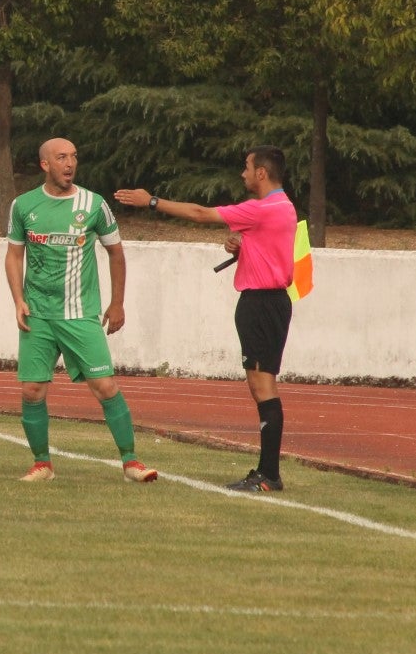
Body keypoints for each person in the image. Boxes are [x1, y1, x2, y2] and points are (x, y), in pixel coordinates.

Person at [115, 145, 296, 492]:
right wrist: (245, 248)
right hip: (267, 302)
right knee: (261, 386)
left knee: (263, 387)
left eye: (246, 168)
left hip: (261, 303)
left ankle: (269, 475)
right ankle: (267, 471)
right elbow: (271, 250)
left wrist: (151, 201)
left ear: (261, 173)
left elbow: (200, 213)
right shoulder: (282, 207)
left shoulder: (262, 208)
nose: (242, 174)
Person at [5, 138, 158, 484]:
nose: (70, 163)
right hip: (38, 314)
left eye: (74, 156)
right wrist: (18, 299)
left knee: (104, 385)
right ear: (45, 164)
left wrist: (117, 302)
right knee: (32, 390)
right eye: (61, 157)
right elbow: (14, 255)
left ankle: (131, 463)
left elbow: (116, 253)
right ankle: (42, 464)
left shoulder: (94, 204)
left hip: (80, 314)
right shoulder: (23, 206)